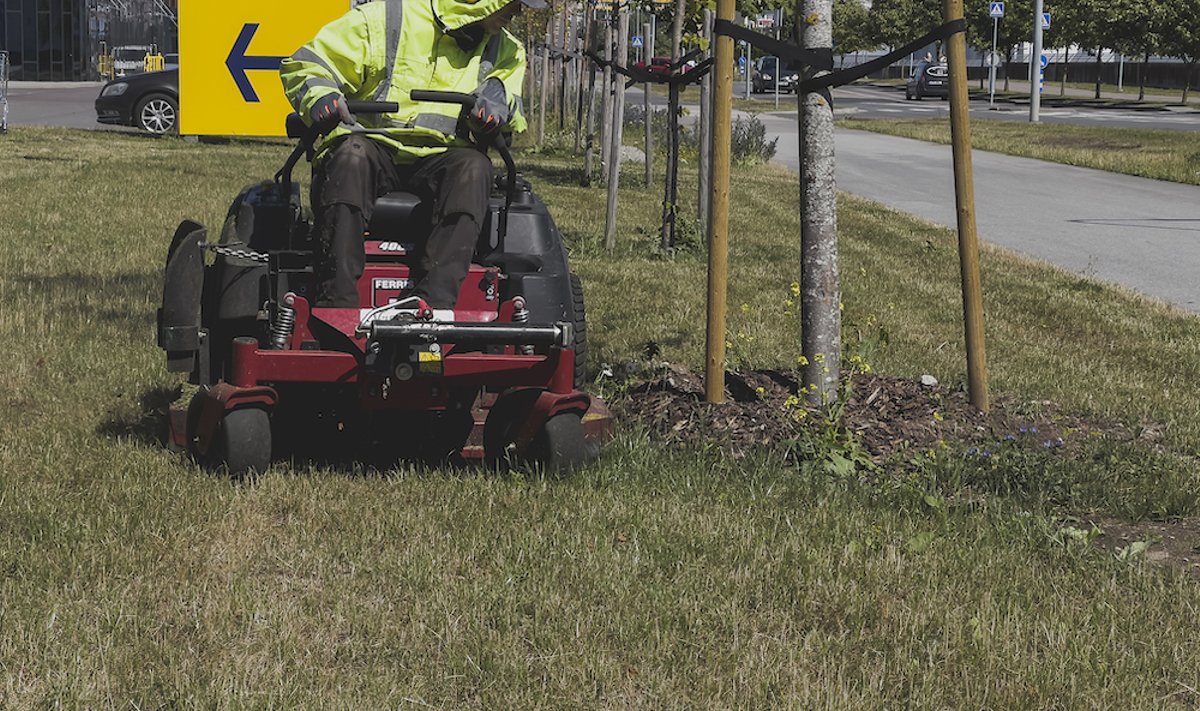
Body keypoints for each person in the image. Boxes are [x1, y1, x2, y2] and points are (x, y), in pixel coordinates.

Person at [279, 0, 543, 309]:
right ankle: (337, 301)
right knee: (350, 157)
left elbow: (509, 103)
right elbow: (309, 63)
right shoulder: (382, 19)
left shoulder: (506, 51)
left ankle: (433, 305)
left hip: (445, 154)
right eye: (512, 4)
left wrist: (496, 107)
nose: (517, 12)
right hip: (370, 143)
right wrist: (321, 95)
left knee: (475, 167)